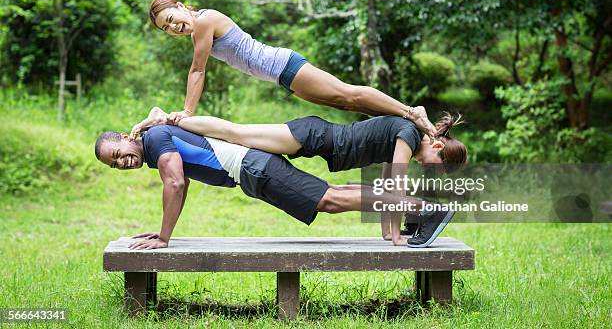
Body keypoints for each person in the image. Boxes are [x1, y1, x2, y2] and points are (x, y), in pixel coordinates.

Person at [106, 109, 466, 249]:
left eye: (117, 154)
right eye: (113, 165)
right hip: (253, 167)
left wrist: (164, 237)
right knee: (335, 194)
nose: (120, 163)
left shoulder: (154, 140)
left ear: (126, 137)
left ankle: (426, 210)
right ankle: (421, 211)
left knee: (330, 200)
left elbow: (176, 183)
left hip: (254, 167)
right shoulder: (157, 136)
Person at [146, 0, 438, 140]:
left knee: (348, 95)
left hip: (285, 65)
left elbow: (198, 70)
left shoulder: (204, 21)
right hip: (282, 77)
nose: (174, 27)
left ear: (182, 6)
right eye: (167, 29)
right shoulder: (199, 28)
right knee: (347, 104)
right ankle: (407, 121)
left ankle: (411, 112)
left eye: (171, 18)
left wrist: (187, 113)